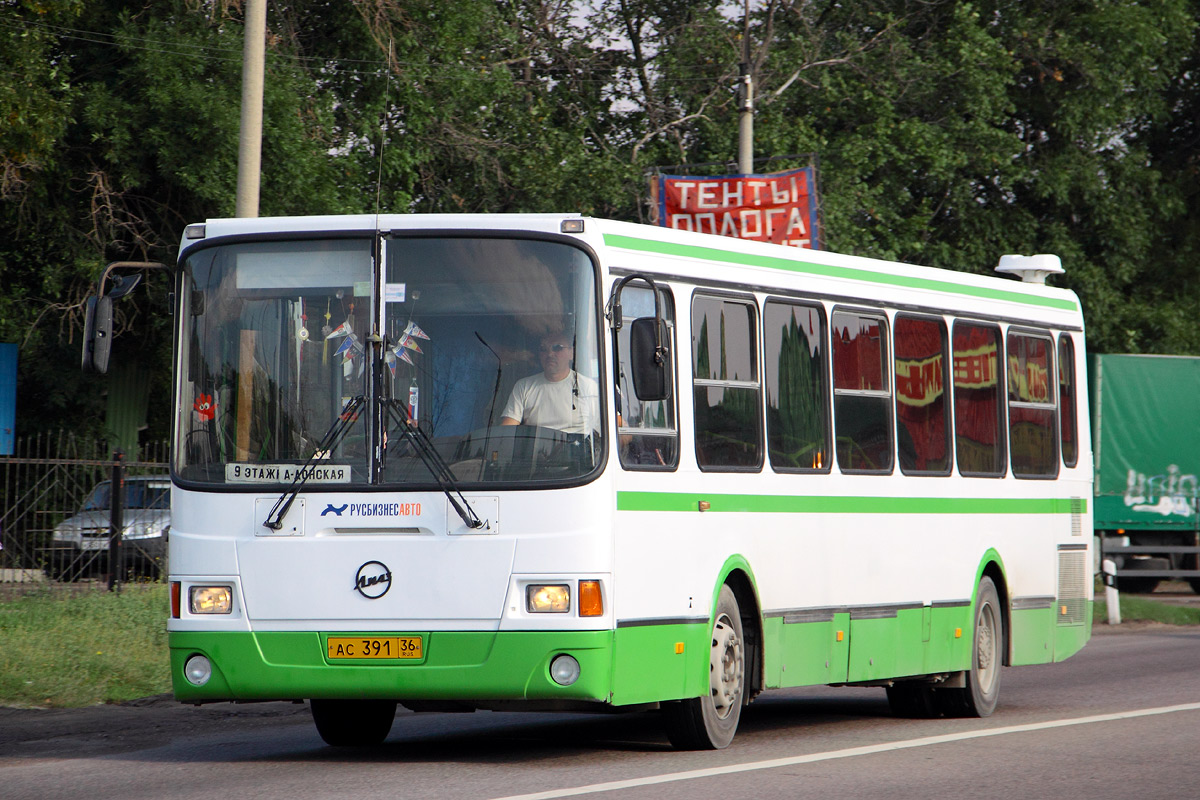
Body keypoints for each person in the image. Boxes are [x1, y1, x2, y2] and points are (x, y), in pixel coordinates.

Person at [499, 331, 600, 434]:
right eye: (544, 349)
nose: (550, 354)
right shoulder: (524, 386)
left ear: (571, 353)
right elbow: (507, 430)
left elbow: (605, 427)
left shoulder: (588, 387)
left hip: (577, 448)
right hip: (535, 448)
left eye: (557, 348)